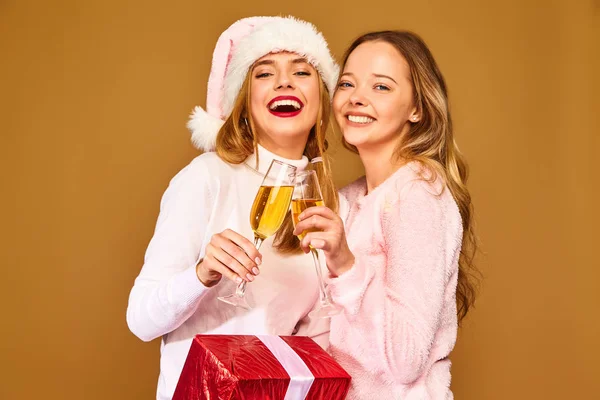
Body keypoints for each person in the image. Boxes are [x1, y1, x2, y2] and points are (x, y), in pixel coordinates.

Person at [126, 16, 340, 400]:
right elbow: (141, 320)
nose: (284, 82)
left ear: (322, 100)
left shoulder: (323, 200)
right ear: (244, 101)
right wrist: (202, 274)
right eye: (263, 73)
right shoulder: (207, 177)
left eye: (301, 71)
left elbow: (316, 344)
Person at [293, 30, 478, 398]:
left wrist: (346, 265)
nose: (356, 98)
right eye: (348, 83)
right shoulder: (348, 199)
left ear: (417, 108)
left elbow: (406, 360)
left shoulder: (418, 196)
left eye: (381, 87)